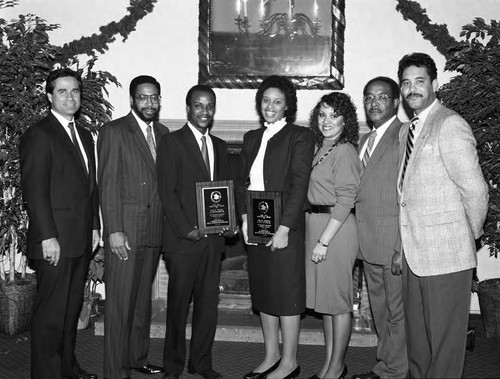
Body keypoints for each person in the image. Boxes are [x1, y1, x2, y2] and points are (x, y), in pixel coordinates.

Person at [396, 52, 488, 378]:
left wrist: (464, 236)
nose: (412, 89)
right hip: (414, 252)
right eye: (406, 83)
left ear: (434, 84)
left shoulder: (449, 124)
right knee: (418, 341)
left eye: (419, 81)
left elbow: (476, 192)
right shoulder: (407, 130)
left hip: (447, 255)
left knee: (445, 345)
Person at [20, 68, 100, 379]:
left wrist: (94, 226)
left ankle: (67, 368)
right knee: (50, 316)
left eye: (75, 91)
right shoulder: (39, 135)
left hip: (80, 239)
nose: (70, 97)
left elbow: (89, 187)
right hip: (54, 242)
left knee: (69, 314)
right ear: (50, 96)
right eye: (63, 91)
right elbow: (34, 192)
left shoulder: (84, 135)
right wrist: (47, 236)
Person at [236, 75, 315, 379]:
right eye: (266, 100)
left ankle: (290, 361)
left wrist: (284, 228)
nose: (270, 106)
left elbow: (299, 185)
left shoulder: (300, 136)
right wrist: (244, 218)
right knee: (265, 290)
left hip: (285, 226)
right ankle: (271, 355)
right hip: (255, 224)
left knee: (286, 292)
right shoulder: (251, 137)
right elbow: (244, 182)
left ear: (287, 107)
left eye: (277, 101)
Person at [157, 84, 236, 379]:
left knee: (207, 306)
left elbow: (224, 190)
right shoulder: (172, 142)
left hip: (213, 241)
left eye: (210, 106)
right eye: (199, 106)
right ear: (188, 108)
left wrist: (229, 222)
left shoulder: (219, 145)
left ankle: (201, 363)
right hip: (183, 241)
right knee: (177, 306)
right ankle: (173, 366)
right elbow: (167, 192)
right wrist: (185, 229)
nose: (204, 111)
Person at [98, 75, 168, 379]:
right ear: (132, 100)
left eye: (154, 98)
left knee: (142, 302)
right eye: (143, 97)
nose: (149, 103)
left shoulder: (164, 133)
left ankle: (137, 358)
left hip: (153, 231)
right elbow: (107, 186)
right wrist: (113, 230)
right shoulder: (114, 131)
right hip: (124, 232)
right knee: (119, 305)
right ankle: (116, 371)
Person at [352, 77, 407, 379]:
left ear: (396, 102)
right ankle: (388, 364)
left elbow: (409, 195)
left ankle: (395, 371)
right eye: (369, 97)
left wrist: (402, 247)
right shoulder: (363, 140)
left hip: (393, 244)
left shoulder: (404, 136)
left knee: (397, 314)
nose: (374, 103)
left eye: (382, 97)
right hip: (368, 242)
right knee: (381, 312)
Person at [305, 92, 360, 379]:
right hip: (316, 224)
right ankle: (329, 364)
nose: (327, 121)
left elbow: (346, 199)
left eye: (334, 115)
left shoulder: (345, 150)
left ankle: (337, 368)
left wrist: (324, 241)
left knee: (337, 303)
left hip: (335, 231)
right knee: (325, 302)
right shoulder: (319, 146)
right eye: (323, 114)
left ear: (345, 119)